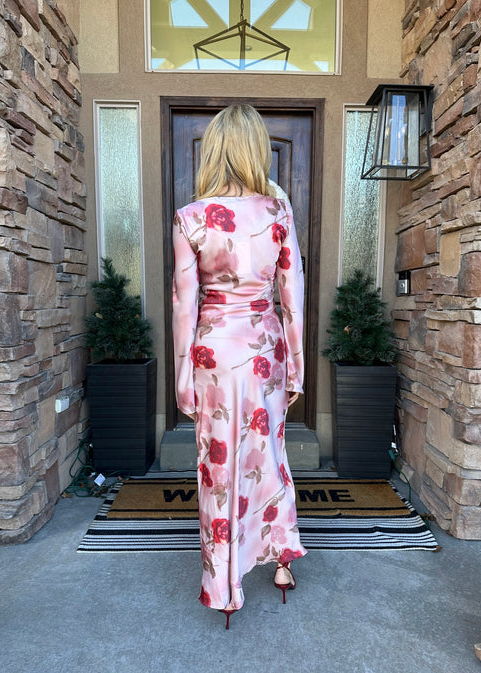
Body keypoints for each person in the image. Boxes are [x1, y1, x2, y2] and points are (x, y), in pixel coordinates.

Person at [172, 104, 307, 629]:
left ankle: (225, 587)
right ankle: (281, 560)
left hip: (213, 353)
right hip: (265, 349)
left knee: (218, 464)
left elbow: (184, 304)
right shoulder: (277, 212)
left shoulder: (190, 217)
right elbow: (291, 294)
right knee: (268, 453)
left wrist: (182, 377)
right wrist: (295, 367)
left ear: (213, 151)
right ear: (255, 150)